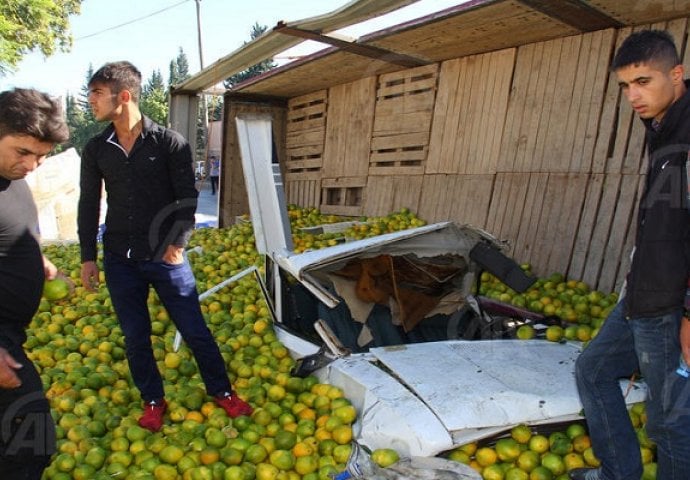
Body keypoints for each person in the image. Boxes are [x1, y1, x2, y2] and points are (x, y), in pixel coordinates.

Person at [77, 61, 252, 432]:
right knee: (135, 335)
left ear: (122, 96)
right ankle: (152, 400)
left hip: (165, 258)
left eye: (95, 93)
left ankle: (222, 392)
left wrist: (178, 244)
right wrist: (88, 258)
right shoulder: (96, 149)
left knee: (194, 329)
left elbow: (187, 198)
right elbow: (88, 203)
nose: (89, 100)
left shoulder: (169, 142)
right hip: (120, 260)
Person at [571, 30, 690, 480]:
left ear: (676, 74)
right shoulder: (663, 129)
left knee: (671, 423)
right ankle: (618, 473)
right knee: (593, 369)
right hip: (643, 296)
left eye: (643, 81)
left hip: (670, 307)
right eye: (625, 86)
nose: (632, 96)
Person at [0, 88, 69, 479]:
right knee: (30, 442)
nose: (31, 165)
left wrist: (36, 263)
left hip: (11, 335)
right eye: (22, 152)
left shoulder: (12, 176)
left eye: (40, 156)